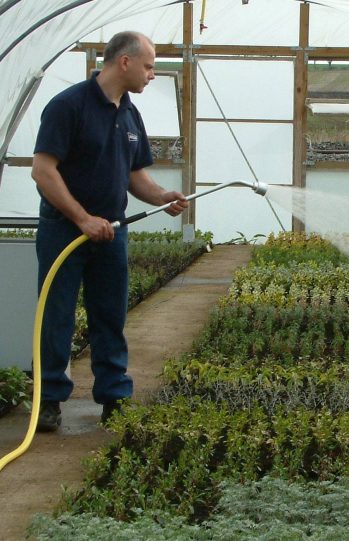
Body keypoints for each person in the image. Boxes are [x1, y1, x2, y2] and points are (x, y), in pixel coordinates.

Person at [31, 31, 188, 431]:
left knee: (110, 315)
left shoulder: (130, 113)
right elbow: (43, 171)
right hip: (64, 230)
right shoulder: (69, 106)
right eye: (149, 66)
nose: (153, 74)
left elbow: (134, 174)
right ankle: (48, 399)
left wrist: (160, 196)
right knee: (56, 315)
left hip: (111, 232)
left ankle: (114, 396)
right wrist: (83, 219)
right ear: (125, 62)